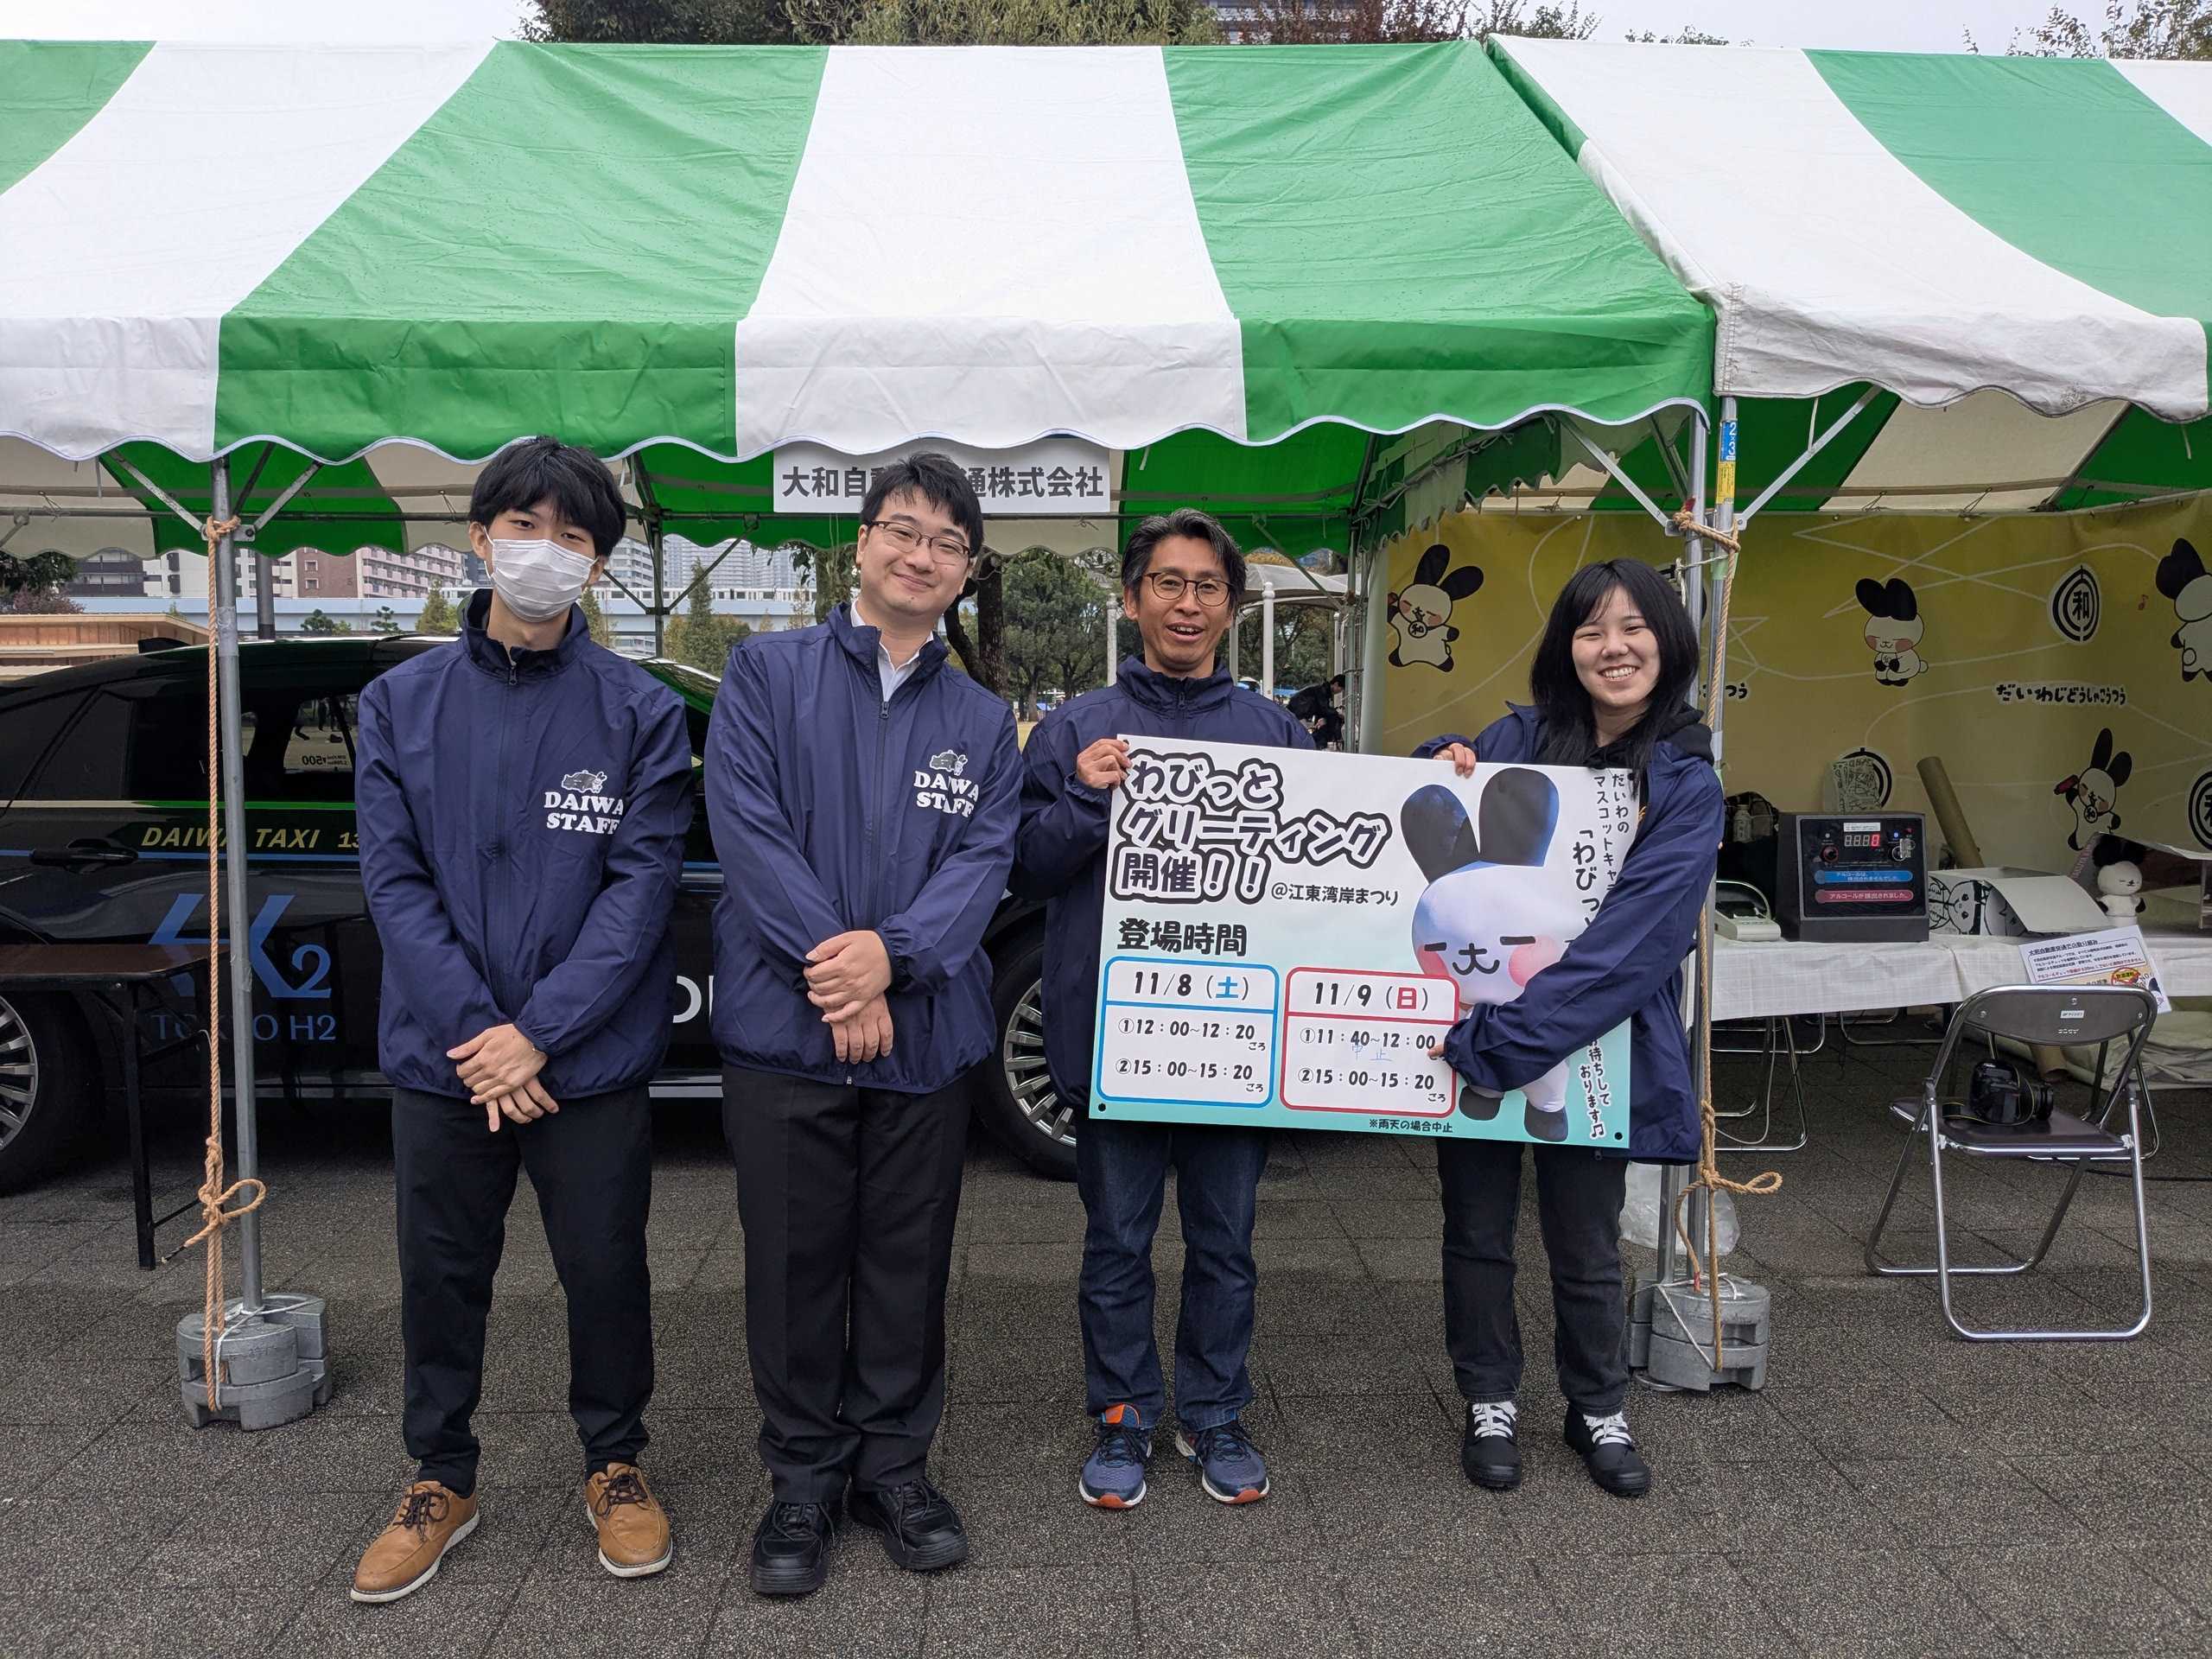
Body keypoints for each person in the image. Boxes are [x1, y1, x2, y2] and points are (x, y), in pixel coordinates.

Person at [351, 437, 693, 1603]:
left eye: (573, 536)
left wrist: (538, 1034)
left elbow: (639, 892)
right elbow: (395, 883)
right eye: (524, 527)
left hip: (583, 1062)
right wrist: (483, 1040)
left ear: (596, 564)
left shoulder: (640, 712)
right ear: (479, 538)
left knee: (605, 1267)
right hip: (444, 1059)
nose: (544, 551)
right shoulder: (399, 704)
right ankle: (440, 1475)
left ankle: (616, 1461)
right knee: (441, 1272)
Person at [706, 454, 1021, 1599]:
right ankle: (801, 1478)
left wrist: (895, 959)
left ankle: (894, 1465)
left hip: (923, 1037)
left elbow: (981, 863)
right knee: (792, 1265)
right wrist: (844, 973)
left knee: (906, 1262)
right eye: (903, 528)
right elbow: (747, 833)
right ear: (862, 542)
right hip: (784, 1032)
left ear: (966, 571)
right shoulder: (765, 674)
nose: (921, 553)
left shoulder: (982, 721)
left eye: (947, 542)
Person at [1014, 510, 1313, 1511]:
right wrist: (1084, 799)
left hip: (1232, 1032)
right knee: (1117, 1241)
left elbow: (1328, 884)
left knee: (1226, 1242)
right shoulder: (1075, 729)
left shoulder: (1275, 734)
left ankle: (1215, 1410)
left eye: (1207, 586)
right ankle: (1122, 1413)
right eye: (1168, 584)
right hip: (1118, 1037)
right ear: (1132, 597)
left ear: (1231, 606)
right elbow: (1024, 866)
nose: (1188, 604)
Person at [1415, 556, 1721, 1501]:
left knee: (1585, 1240)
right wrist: (1442, 759)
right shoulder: (1519, 737)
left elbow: (1635, 947)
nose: (1612, 648)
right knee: (1475, 1230)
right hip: (1477, 1033)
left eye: (1633, 628)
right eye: (1592, 631)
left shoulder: (1686, 779)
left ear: (1668, 643)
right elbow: (1440, 803)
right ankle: (1489, 1397)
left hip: (1577, 1046)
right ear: (1566, 647)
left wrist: (1501, 1048)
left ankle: (1597, 1405)